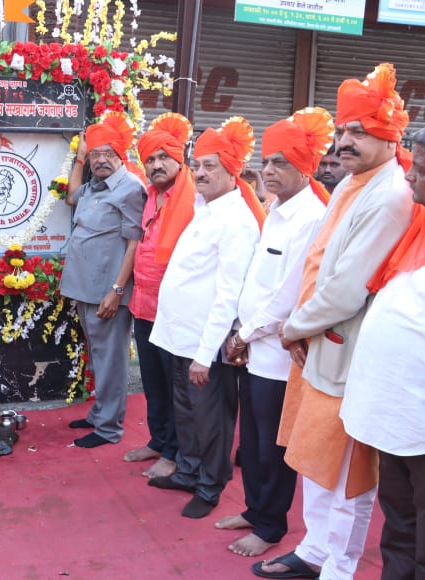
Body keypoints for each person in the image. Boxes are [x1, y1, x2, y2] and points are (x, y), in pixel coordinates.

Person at [255, 63, 415, 580]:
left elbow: (347, 286)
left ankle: (337, 568)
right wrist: (301, 328)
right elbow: (317, 267)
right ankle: (314, 552)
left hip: (346, 350)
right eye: (343, 131)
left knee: (345, 471)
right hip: (320, 342)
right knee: (315, 461)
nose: (344, 141)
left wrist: (292, 327)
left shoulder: (391, 195)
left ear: (390, 137)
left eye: (358, 131)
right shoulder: (354, 182)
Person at [219, 107, 332, 558]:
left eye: (280, 162)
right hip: (254, 347)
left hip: (279, 354)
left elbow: (288, 295)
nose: (268, 170)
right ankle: (253, 509)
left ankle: (270, 526)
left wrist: (243, 334)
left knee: (273, 446)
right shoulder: (277, 208)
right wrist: (241, 332)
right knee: (251, 442)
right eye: (266, 161)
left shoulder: (310, 218)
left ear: (305, 167)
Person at [148, 116, 264, 519]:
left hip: (204, 343)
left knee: (211, 417)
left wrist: (204, 352)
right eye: (197, 165)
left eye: (210, 166)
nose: (199, 173)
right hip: (178, 335)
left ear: (233, 171)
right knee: (186, 412)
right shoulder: (205, 209)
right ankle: (189, 470)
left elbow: (228, 295)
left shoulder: (237, 221)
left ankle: (210, 485)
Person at [339, 123, 425, 580]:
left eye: (421, 169)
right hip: (399, 420)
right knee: (398, 530)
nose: (409, 177)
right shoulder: (421, 227)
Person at [61, 114, 146, 449]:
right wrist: (80, 157)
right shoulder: (94, 186)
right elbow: (70, 197)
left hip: (109, 292)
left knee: (110, 359)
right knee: (98, 355)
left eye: (108, 153)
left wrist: (117, 290)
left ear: (121, 155)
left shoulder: (129, 189)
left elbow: (134, 244)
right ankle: (99, 414)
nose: (101, 160)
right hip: (85, 288)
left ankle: (109, 427)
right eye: (96, 154)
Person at [123, 112, 196, 477]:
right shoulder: (150, 196)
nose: (155, 164)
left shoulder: (195, 198)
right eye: (149, 159)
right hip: (144, 304)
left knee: (174, 387)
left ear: (179, 158)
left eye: (163, 156)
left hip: (177, 310)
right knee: (153, 382)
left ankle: (175, 451)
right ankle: (158, 440)